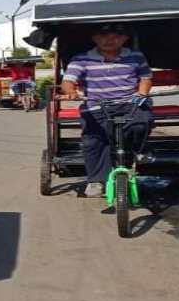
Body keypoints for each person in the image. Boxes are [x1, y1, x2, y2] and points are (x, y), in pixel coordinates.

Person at [59, 23, 153, 198]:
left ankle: (134, 154)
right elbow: (68, 80)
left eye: (116, 36)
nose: (109, 40)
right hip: (96, 105)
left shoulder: (136, 56)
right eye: (103, 36)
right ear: (94, 38)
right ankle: (95, 180)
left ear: (125, 39)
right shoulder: (81, 59)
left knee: (141, 123)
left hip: (130, 103)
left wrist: (142, 94)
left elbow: (145, 78)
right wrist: (71, 92)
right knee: (93, 139)